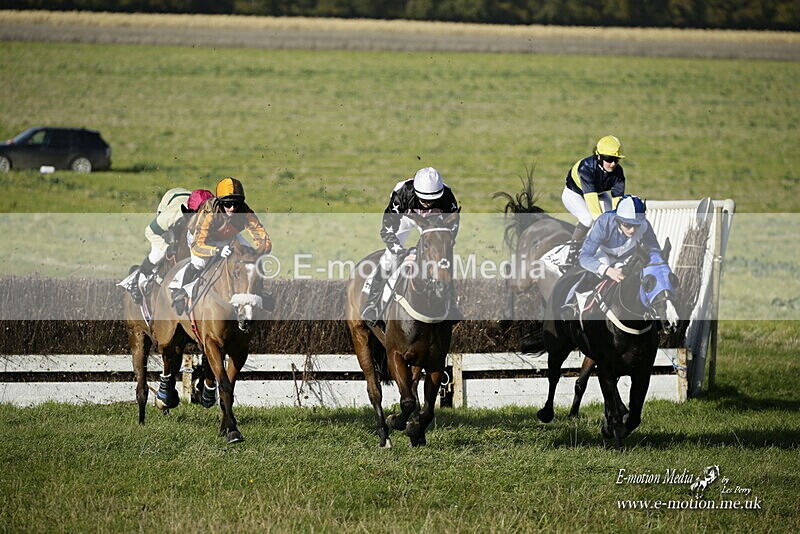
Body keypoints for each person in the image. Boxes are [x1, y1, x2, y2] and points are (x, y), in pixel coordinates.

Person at [361, 167, 460, 326]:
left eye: (433, 200)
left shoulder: (448, 198)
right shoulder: (401, 195)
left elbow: (451, 230)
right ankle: (372, 305)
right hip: (404, 219)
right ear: (415, 191)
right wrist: (399, 252)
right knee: (389, 258)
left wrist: (439, 250)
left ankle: (452, 304)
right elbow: (386, 230)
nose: (428, 204)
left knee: (443, 259)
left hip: (433, 224)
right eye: (424, 200)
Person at [169, 177, 271, 314]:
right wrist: (217, 250)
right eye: (228, 204)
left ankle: (259, 291)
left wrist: (259, 252)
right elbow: (197, 246)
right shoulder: (209, 212)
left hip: (228, 237)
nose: (233, 208)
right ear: (220, 202)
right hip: (201, 239)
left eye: (236, 203)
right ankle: (178, 289)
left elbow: (262, 237)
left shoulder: (245, 212)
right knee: (199, 262)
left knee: (252, 259)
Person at [562, 194, 662, 318]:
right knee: (602, 263)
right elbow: (584, 257)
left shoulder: (645, 225)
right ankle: (572, 304)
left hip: (626, 257)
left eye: (636, 225)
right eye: (627, 225)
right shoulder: (604, 223)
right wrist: (607, 270)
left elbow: (655, 250)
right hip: (601, 254)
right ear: (618, 220)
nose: (632, 230)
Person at [123, 187, 214, 303]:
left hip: (191, 201)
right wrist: (166, 248)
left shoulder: (215, 213)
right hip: (169, 204)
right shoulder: (172, 215)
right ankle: (136, 278)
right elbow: (149, 232)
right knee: (158, 254)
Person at [561, 135, 627, 269]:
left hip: (599, 194)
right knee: (587, 218)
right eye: (609, 159)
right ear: (599, 157)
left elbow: (617, 202)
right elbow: (593, 206)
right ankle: (571, 256)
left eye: (616, 159)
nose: (613, 164)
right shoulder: (587, 168)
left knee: (612, 218)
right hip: (574, 194)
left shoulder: (618, 172)